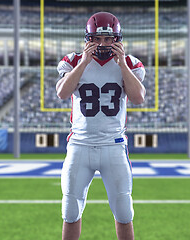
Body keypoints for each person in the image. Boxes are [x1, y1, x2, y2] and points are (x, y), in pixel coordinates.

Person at [56, 11, 146, 240]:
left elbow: (138, 98)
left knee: (124, 211)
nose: (102, 44)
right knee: (70, 210)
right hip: (79, 144)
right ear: (87, 39)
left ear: (117, 39)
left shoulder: (130, 63)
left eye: (108, 39)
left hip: (113, 145)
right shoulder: (74, 61)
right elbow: (62, 93)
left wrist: (122, 65)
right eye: (96, 38)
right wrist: (85, 62)